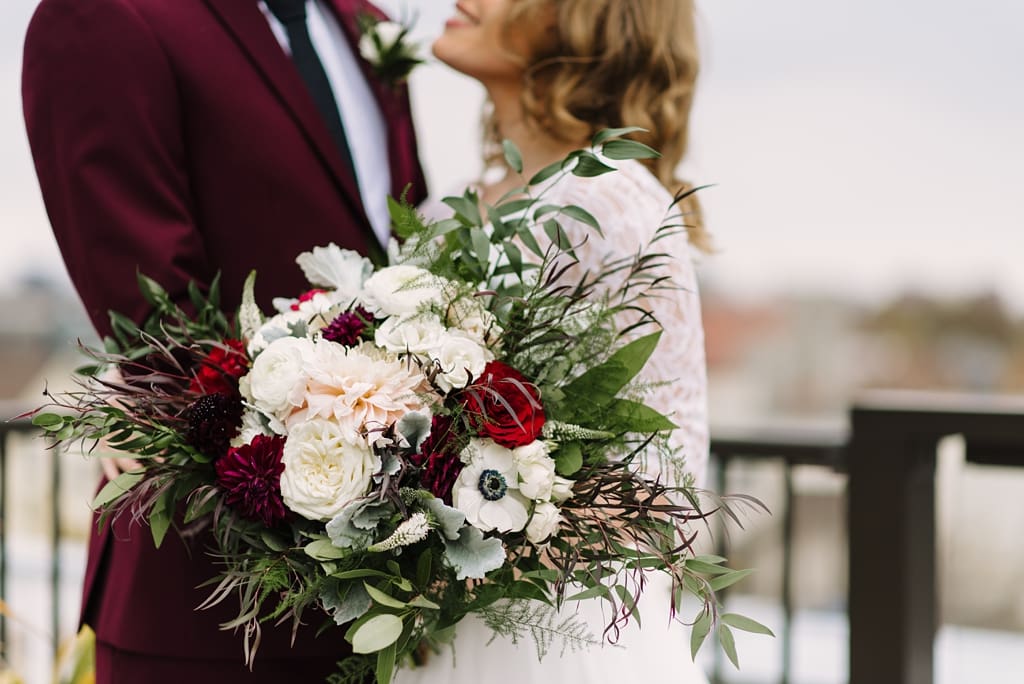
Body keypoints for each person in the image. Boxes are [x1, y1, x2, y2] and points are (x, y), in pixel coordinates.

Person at [22, 0, 425, 681]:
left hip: (402, 602)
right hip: (214, 604)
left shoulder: (365, 21)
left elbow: (403, 268)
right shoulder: (101, 16)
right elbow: (154, 320)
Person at [397, 1, 710, 681]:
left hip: (560, 632)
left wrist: (505, 537)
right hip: (434, 628)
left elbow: (670, 472)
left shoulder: (618, 202)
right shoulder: (444, 206)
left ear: (584, 21)